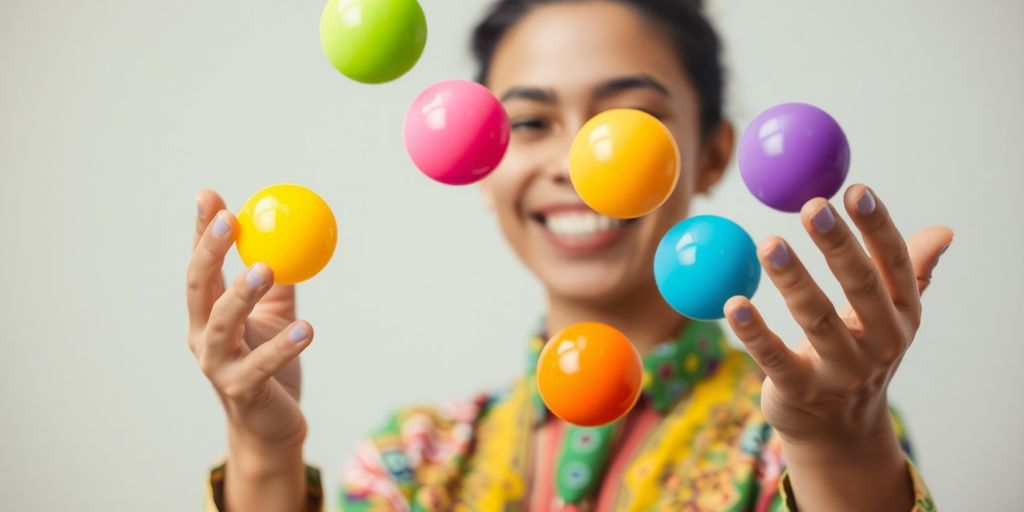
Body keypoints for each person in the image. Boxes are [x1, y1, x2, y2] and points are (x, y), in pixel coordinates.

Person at [190, 0, 953, 510]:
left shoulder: (809, 430)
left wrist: (837, 445)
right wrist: (262, 452)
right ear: (478, 164)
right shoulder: (415, 462)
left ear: (714, 153)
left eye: (630, 119)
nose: (582, 164)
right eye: (529, 123)